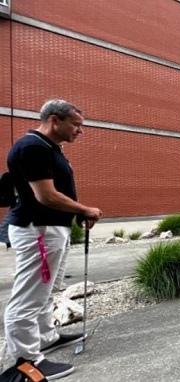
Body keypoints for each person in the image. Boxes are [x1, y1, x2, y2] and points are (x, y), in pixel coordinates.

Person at [4, 99, 103, 380]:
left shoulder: (48, 147)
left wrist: (76, 213)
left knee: (46, 291)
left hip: (49, 230)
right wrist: (84, 209)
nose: (80, 131)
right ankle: (26, 360)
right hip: (38, 231)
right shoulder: (33, 147)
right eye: (77, 125)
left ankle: (46, 338)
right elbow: (45, 195)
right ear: (55, 120)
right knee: (29, 296)